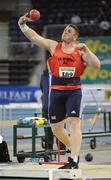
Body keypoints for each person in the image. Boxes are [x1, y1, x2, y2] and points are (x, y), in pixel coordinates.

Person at [18, 13, 101, 169]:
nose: (65, 32)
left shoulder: (80, 51)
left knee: (74, 123)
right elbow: (35, 38)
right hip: (55, 91)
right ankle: (74, 149)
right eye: (65, 30)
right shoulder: (53, 45)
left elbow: (96, 65)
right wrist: (22, 25)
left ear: (75, 37)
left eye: (69, 31)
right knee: (56, 129)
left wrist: (87, 50)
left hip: (73, 91)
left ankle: (73, 160)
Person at [40, 69, 66, 157]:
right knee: (47, 130)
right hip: (46, 107)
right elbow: (42, 88)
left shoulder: (60, 75)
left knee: (59, 128)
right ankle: (48, 149)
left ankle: (62, 148)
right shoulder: (44, 76)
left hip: (58, 106)